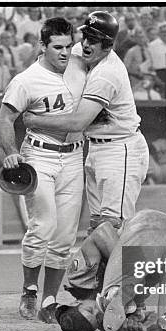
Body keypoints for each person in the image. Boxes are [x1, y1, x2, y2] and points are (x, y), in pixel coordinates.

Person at [23, 11, 150, 233]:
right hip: (96, 148)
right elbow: (47, 58)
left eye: (94, 40)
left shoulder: (107, 73)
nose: (86, 44)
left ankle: (137, 268)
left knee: (113, 228)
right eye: (86, 36)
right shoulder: (84, 49)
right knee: (96, 226)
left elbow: (77, 123)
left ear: (108, 46)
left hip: (120, 149)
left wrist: (35, 120)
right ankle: (100, 269)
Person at [0, 17, 87, 323]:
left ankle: (50, 298)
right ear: (42, 46)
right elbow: (5, 119)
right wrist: (10, 153)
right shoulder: (27, 79)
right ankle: (29, 290)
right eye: (57, 47)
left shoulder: (79, 68)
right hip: (40, 155)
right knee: (43, 225)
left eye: (68, 46)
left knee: (64, 236)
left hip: (74, 157)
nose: (64, 52)